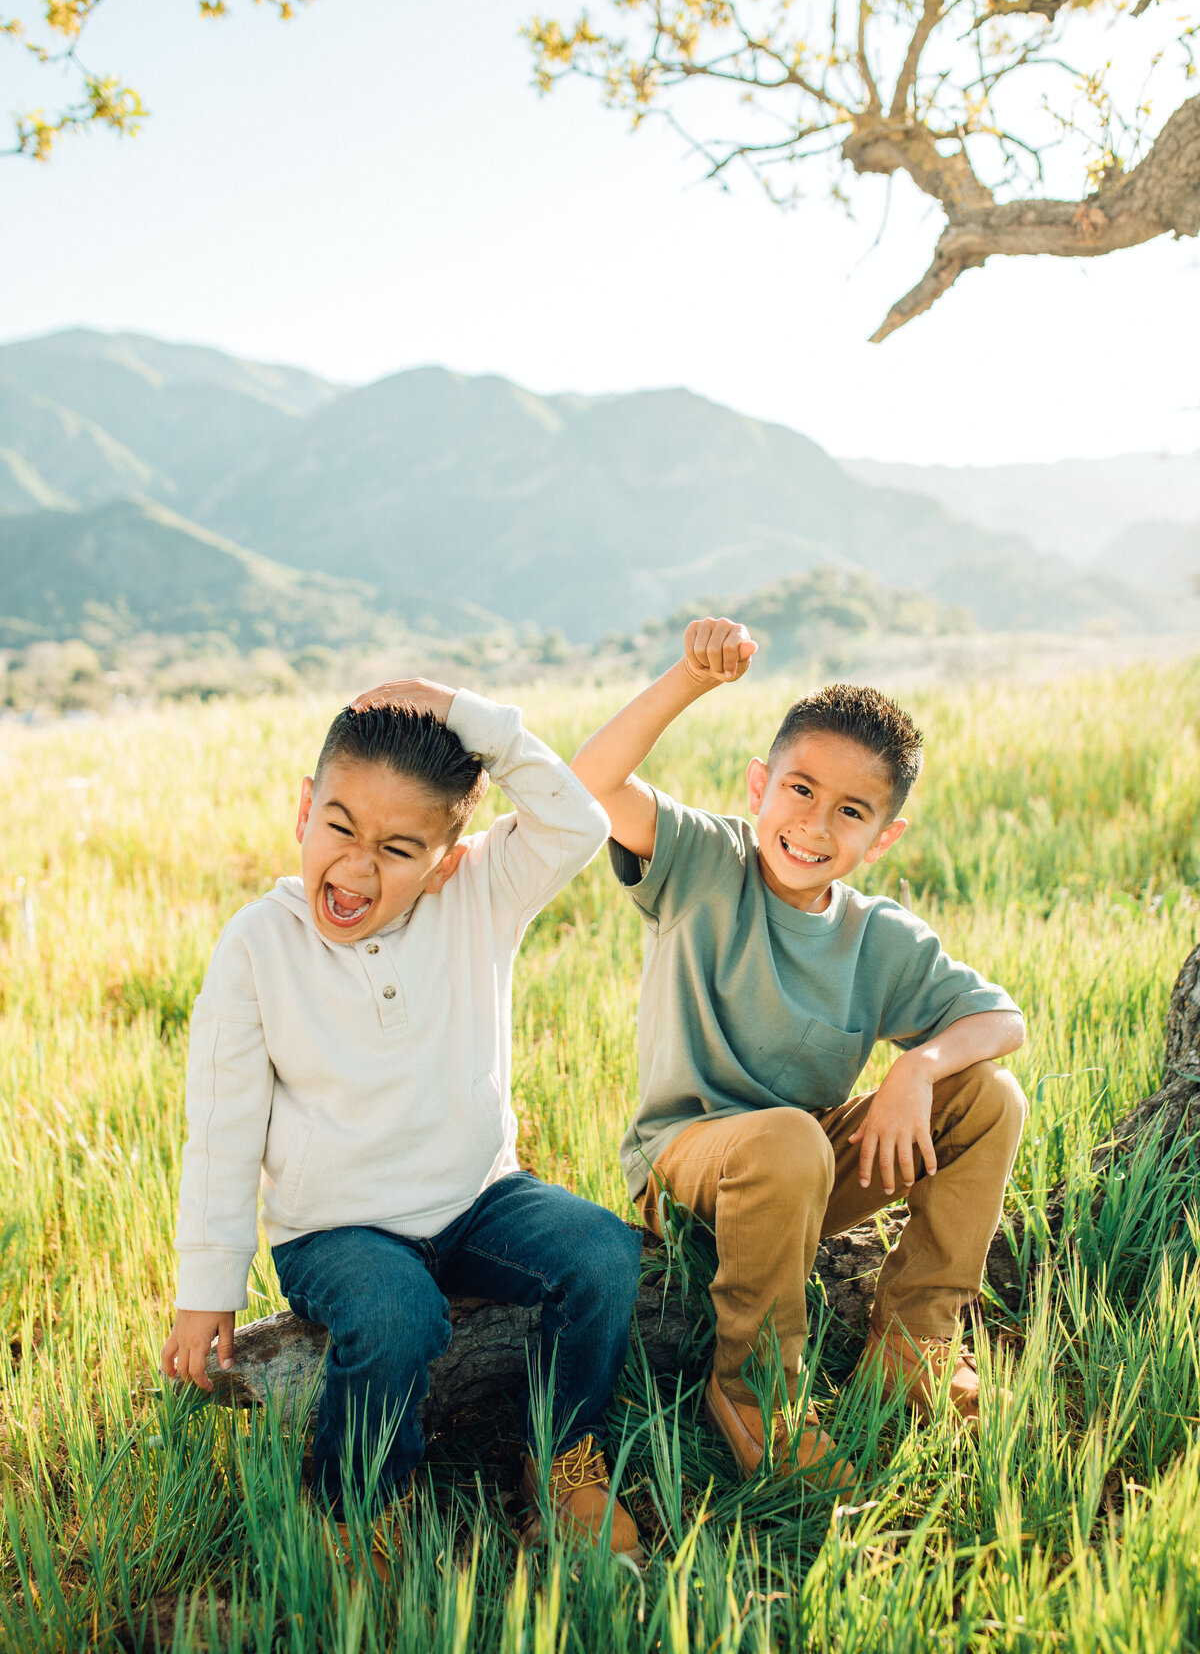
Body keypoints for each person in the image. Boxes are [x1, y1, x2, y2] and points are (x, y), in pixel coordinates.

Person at [160, 678, 644, 1573]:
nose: (355, 867)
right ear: (304, 809)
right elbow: (222, 1131)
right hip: (336, 1228)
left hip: (477, 1198)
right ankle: (359, 1508)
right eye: (338, 827)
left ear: (447, 859)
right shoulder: (257, 946)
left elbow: (576, 823)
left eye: (397, 848)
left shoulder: (481, 899)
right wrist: (207, 1286)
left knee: (605, 1253)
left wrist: (465, 713)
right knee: (394, 1313)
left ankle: (558, 1455)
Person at [571, 619, 1027, 1488]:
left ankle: (914, 1340)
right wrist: (689, 680)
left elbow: (1001, 1019)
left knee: (991, 1096)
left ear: (881, 838)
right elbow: (589, 784)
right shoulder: (704, 862)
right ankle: (753, 1392)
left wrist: (917, 1067)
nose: (814, 825)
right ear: (759, 786)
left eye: (850, 812)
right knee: (787, 1139)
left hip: (805, 1169)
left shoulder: (878, 937)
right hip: (687, 1168)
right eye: (800, 790)